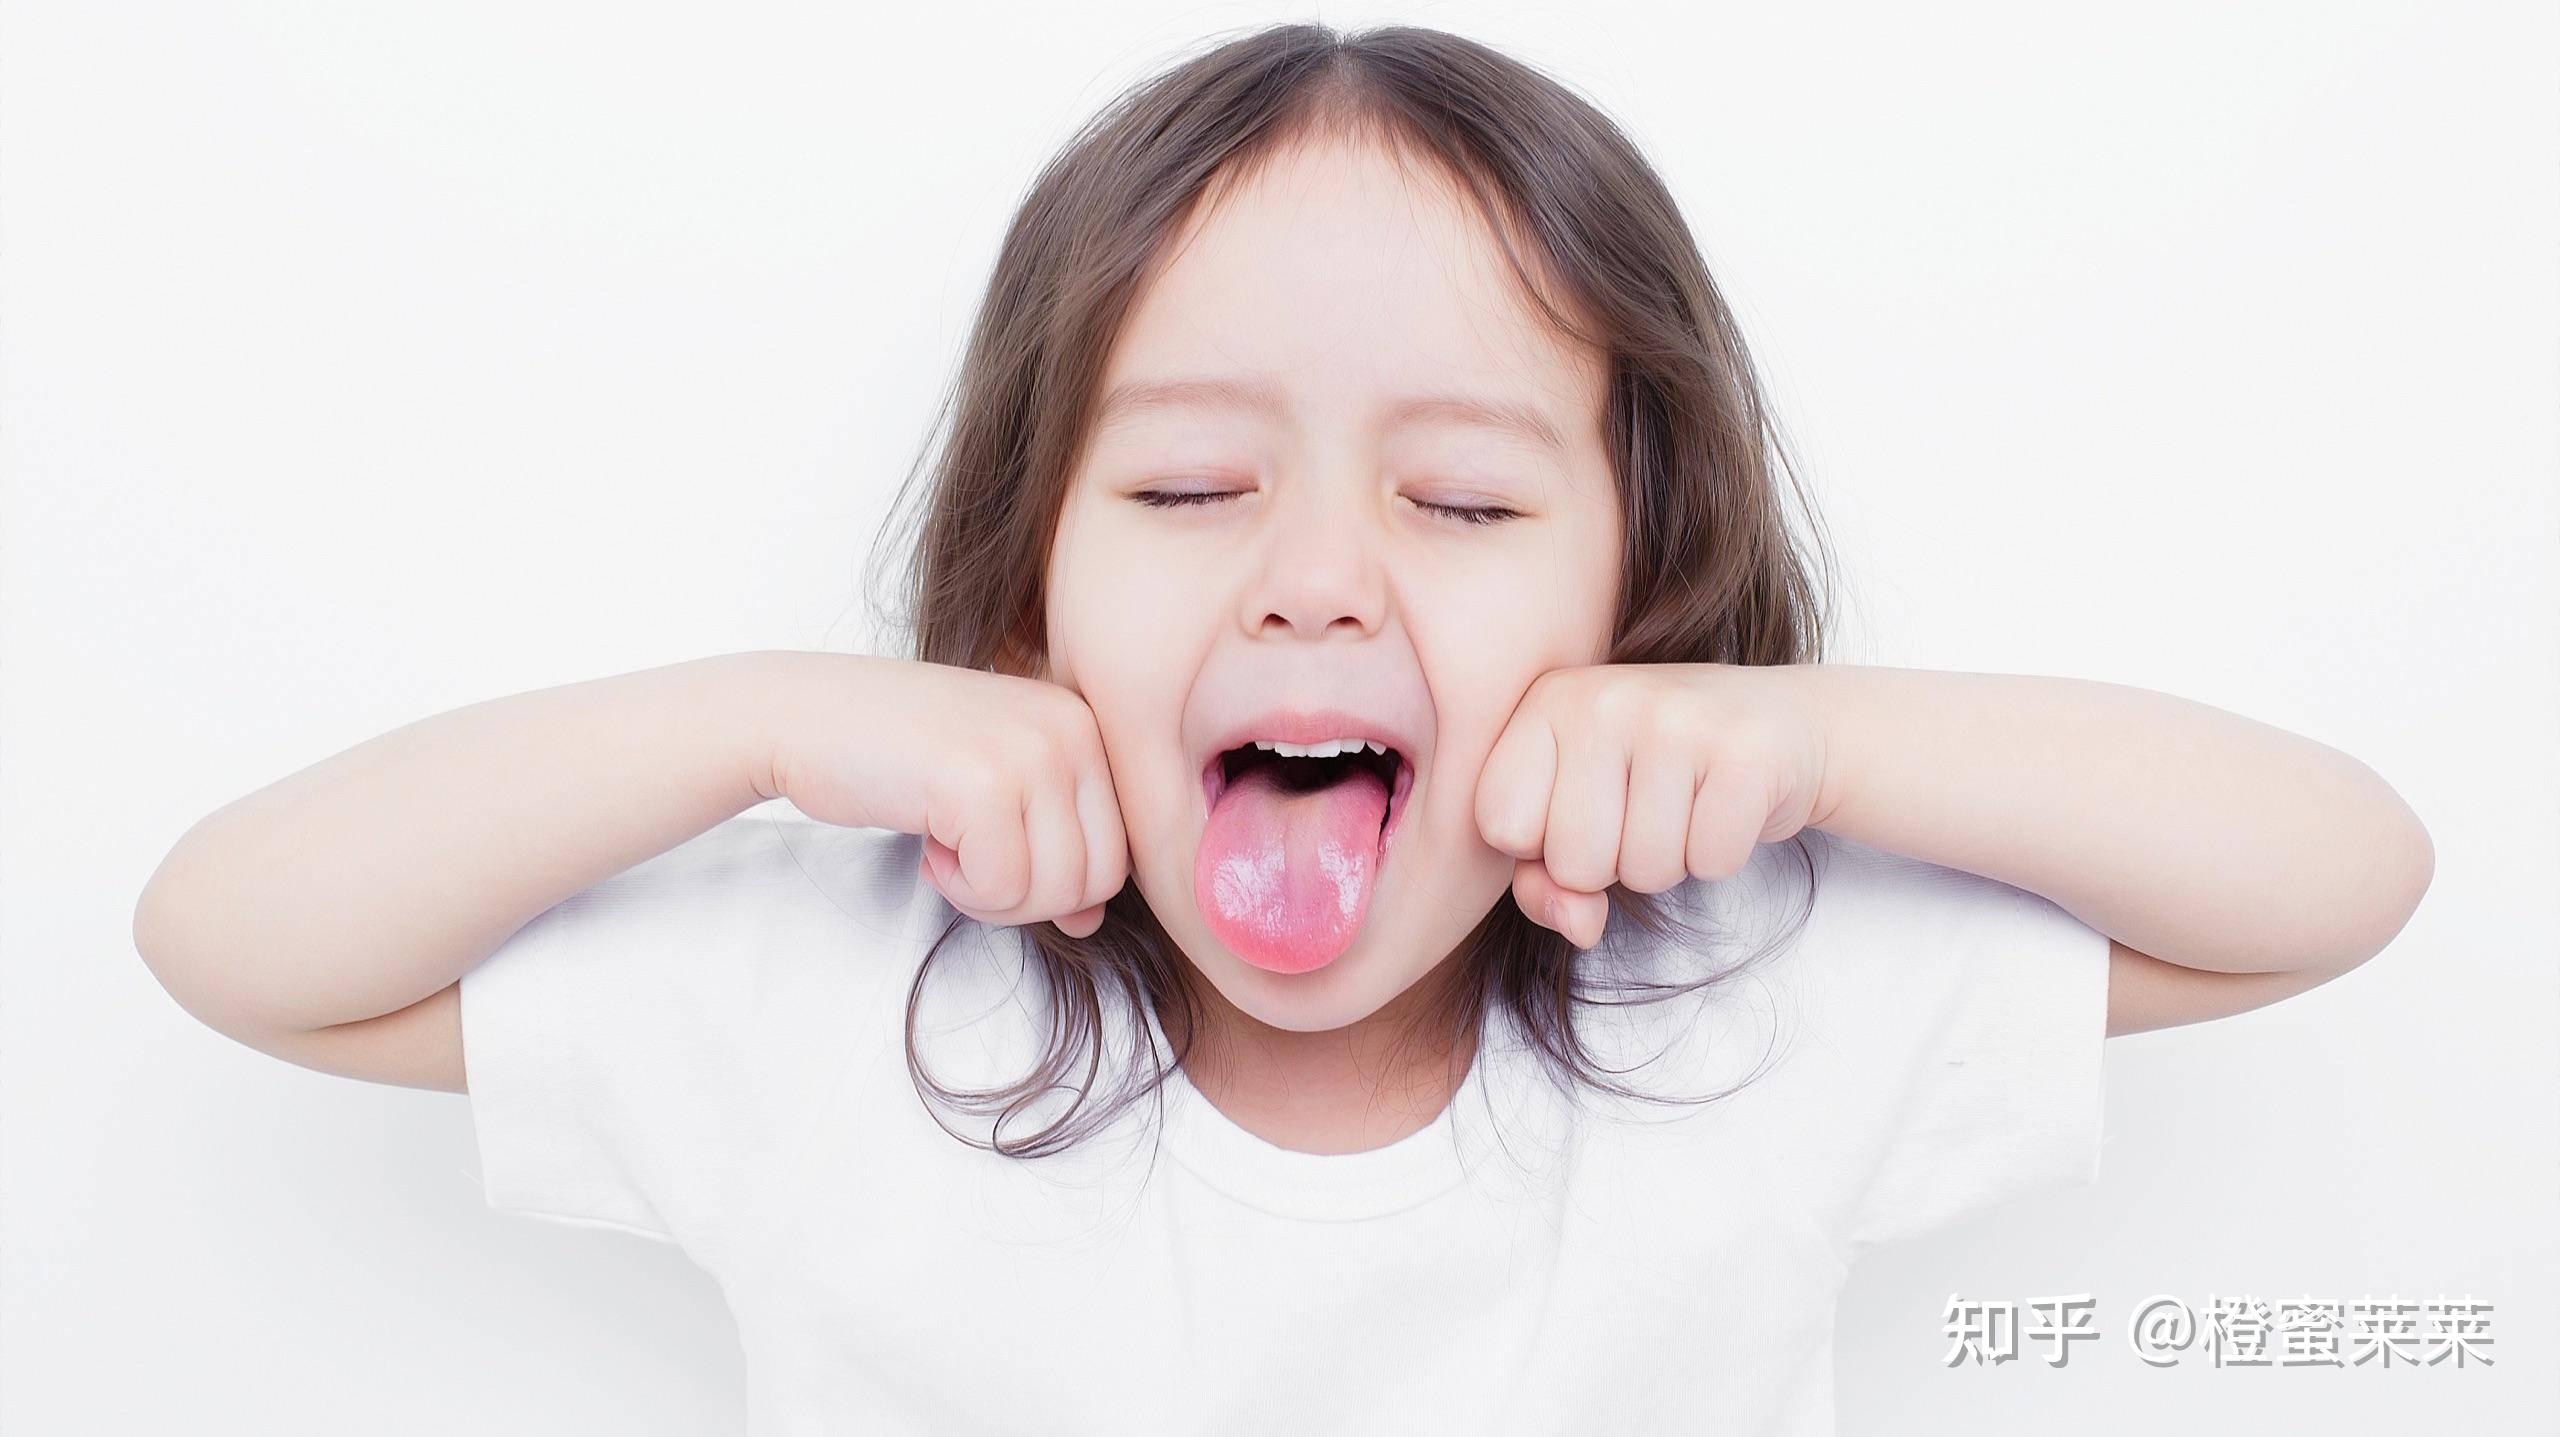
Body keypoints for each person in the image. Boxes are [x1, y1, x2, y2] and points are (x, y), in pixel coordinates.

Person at [130, 23, 2434, 1435]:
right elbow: (236, 937)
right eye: (1188, 487)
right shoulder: (834, 997)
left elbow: (2332, 874)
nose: (1315, 571)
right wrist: (755, 724)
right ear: (1025, 584)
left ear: (1634, 584)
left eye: (1453, 497)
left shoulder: (1747, 993)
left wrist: (1799, 740)